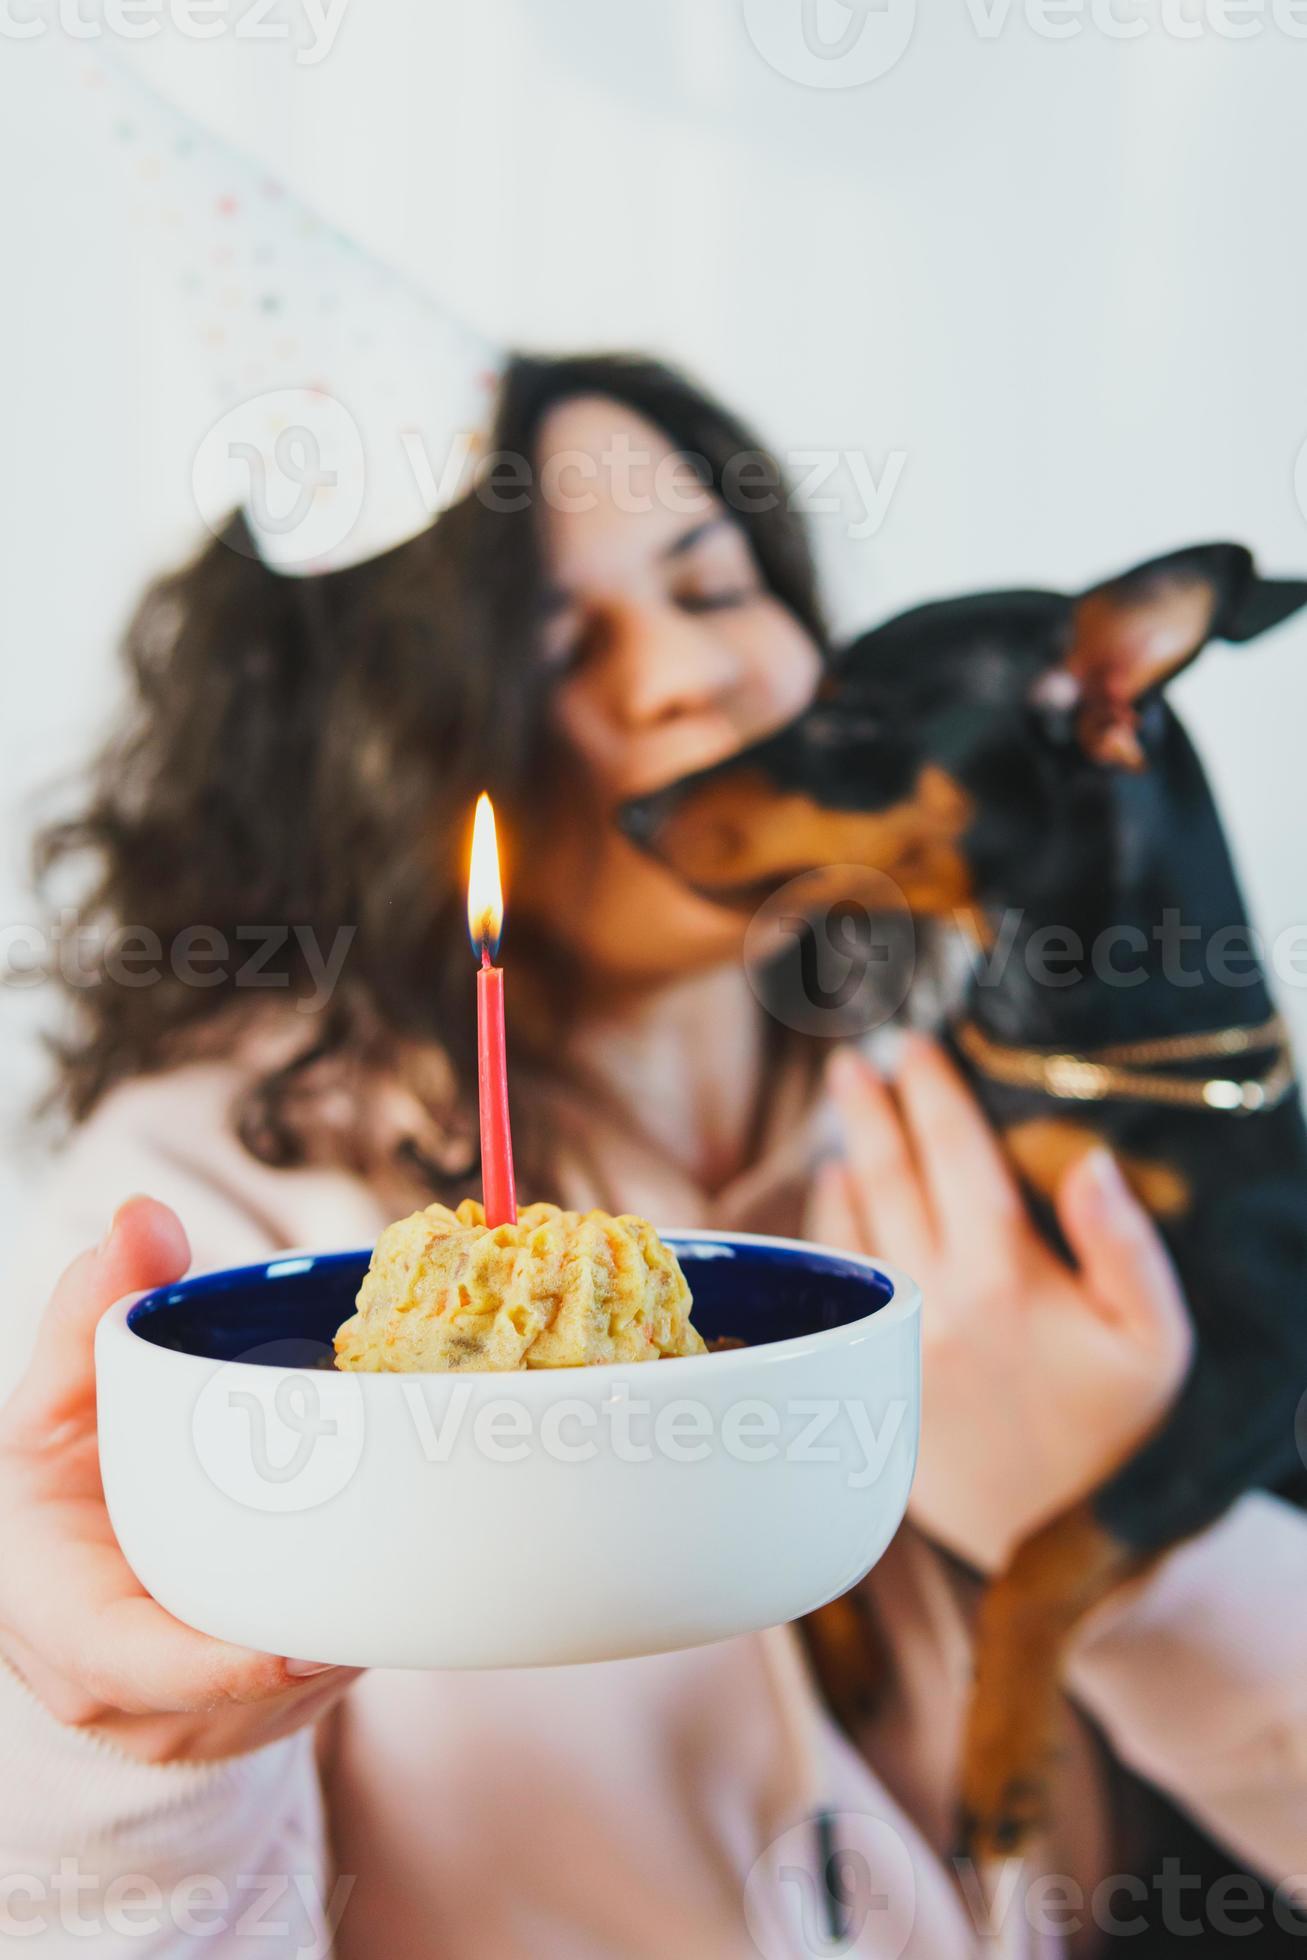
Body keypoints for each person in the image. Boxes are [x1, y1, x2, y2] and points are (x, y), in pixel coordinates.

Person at [1, 356, 1303, 1958]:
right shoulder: (220, 1238)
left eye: (714, 584)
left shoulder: (1026, 1098)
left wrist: (1137, 1553)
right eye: (559, 645)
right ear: (353, 750)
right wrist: (129, 1762)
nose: (692, 674)